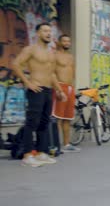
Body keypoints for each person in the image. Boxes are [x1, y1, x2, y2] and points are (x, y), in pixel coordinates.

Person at [11, 22, 67, 167]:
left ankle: (42, 153)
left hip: (49, 90)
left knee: (44, 122)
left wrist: (59, 90)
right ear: (38, 33)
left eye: (50, 31)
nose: (48, 33)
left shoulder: (51, 53)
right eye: (44, 31)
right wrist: (27, 82)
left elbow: (52, 74)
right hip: (36, 89)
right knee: (32, 122)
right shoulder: (31, 50)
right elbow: (16, 64)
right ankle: (28, 155)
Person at [52, 34, 80, 153]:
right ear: (59, 42)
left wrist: (73, 87)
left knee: (67, 118)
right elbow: (52, 73)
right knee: (57, 118)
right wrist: (58, 89)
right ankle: (56, 145)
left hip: (70, 88)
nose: (67, 43)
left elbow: (72, 72)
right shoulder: (55, 55)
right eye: (64, 41)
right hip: (60, 86)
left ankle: (66, 144)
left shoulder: (70, 57)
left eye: (68, 41)